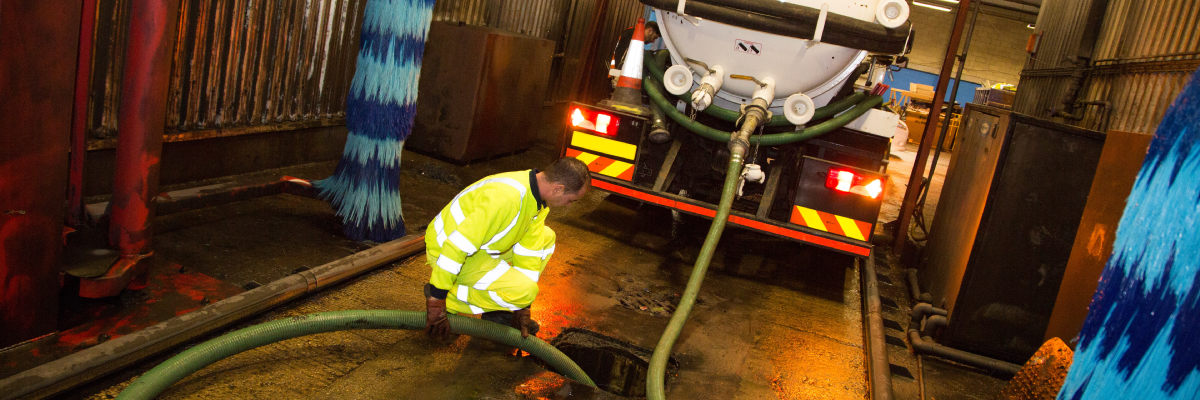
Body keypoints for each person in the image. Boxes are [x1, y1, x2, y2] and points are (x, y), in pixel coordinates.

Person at [424, 158, 591, 340]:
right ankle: (450, 299)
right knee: (526, 290)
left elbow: (529, 253)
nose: (569, 205)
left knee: (547, 237)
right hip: (446, 249)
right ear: (558, 188)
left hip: (479, 247)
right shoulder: (507, 198)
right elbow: (456, 246)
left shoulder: (535, 198)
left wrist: (521, 306)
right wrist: (436, 301)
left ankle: (499, 311)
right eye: (571, 200)